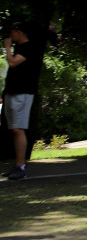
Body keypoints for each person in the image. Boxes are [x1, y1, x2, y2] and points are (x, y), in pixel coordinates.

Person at [3, 22, 43, 181]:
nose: (10, 37)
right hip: (13, 92)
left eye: (12, 33)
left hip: (23, 93)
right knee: (14, 129)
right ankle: (17, 164)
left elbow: (12, 63)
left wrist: (7, 47)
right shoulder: (20, 48)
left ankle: (21, 167)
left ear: (19, 32)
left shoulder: (29, 48)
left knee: (18, 129)